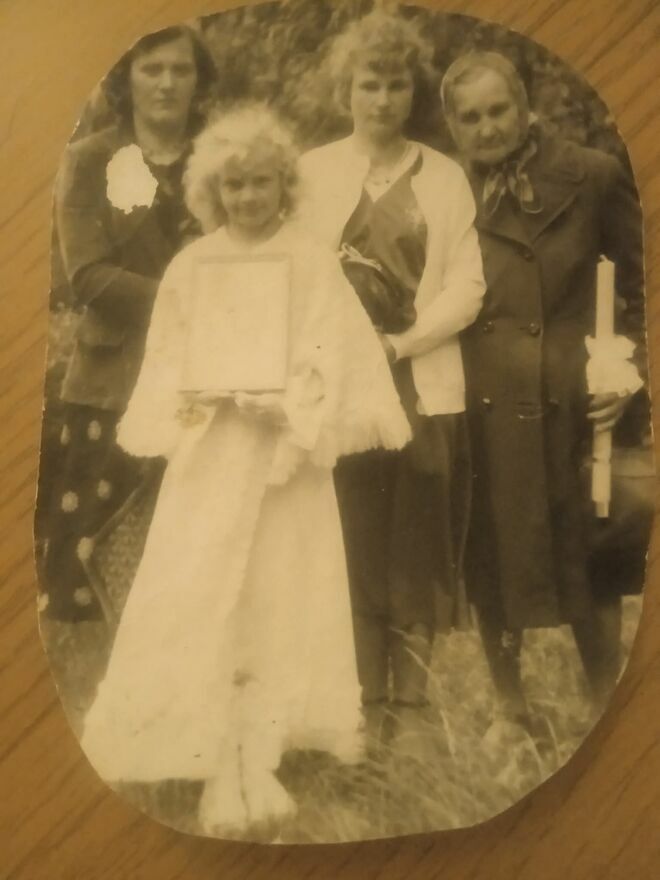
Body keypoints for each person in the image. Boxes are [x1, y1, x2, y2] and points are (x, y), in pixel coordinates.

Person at [80, 106, 411, 835]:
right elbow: (168, 361)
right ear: (212, 191)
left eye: (261, 182)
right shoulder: (192, 265)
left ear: (284, 185)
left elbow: (329, 356)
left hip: (282, 458)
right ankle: (214, 760)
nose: (249, 197)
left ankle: (260, 756)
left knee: (277, 596)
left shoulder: (310, 262)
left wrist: (285, 401)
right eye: (234, 185)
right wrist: (196, 397)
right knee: (205, 596)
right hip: (211, 458)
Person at [440, 51, 650, 723]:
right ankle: (512, 707)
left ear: (525, 106)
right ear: (453, 126)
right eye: (470, 117)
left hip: (577, 394)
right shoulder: (446, 194)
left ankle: (605, 701)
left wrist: (628, 374)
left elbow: (643, 287)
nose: (487, 128)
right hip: (486, 397)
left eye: (499, 110)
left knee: (588, 545)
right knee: (493, 552)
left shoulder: (593, 175)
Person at [298, 9, 485, 749]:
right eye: (369, 84)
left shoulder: (445, 177)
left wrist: (400, 345)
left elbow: (467, 287)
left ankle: (408, 711)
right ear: (346, 90)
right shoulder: (313, 174)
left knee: (416, 542)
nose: (382, 99)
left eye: (396, 85)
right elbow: (297, 280)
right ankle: (362, 700)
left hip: (421, 385)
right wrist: (341, 354)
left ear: (415, 91)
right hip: (339, 393)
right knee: (349, 538)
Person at [39, 26, 217, 624]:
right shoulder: (91, 158)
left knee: (197, 547)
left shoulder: (220, 156)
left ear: (199, 80)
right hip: (114, 378)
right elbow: (87, 274)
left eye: (181, 69)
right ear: (126, 77)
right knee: (96, 548)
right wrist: (189, 296)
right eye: (151, 68)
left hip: (206, 373)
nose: (166, 83)